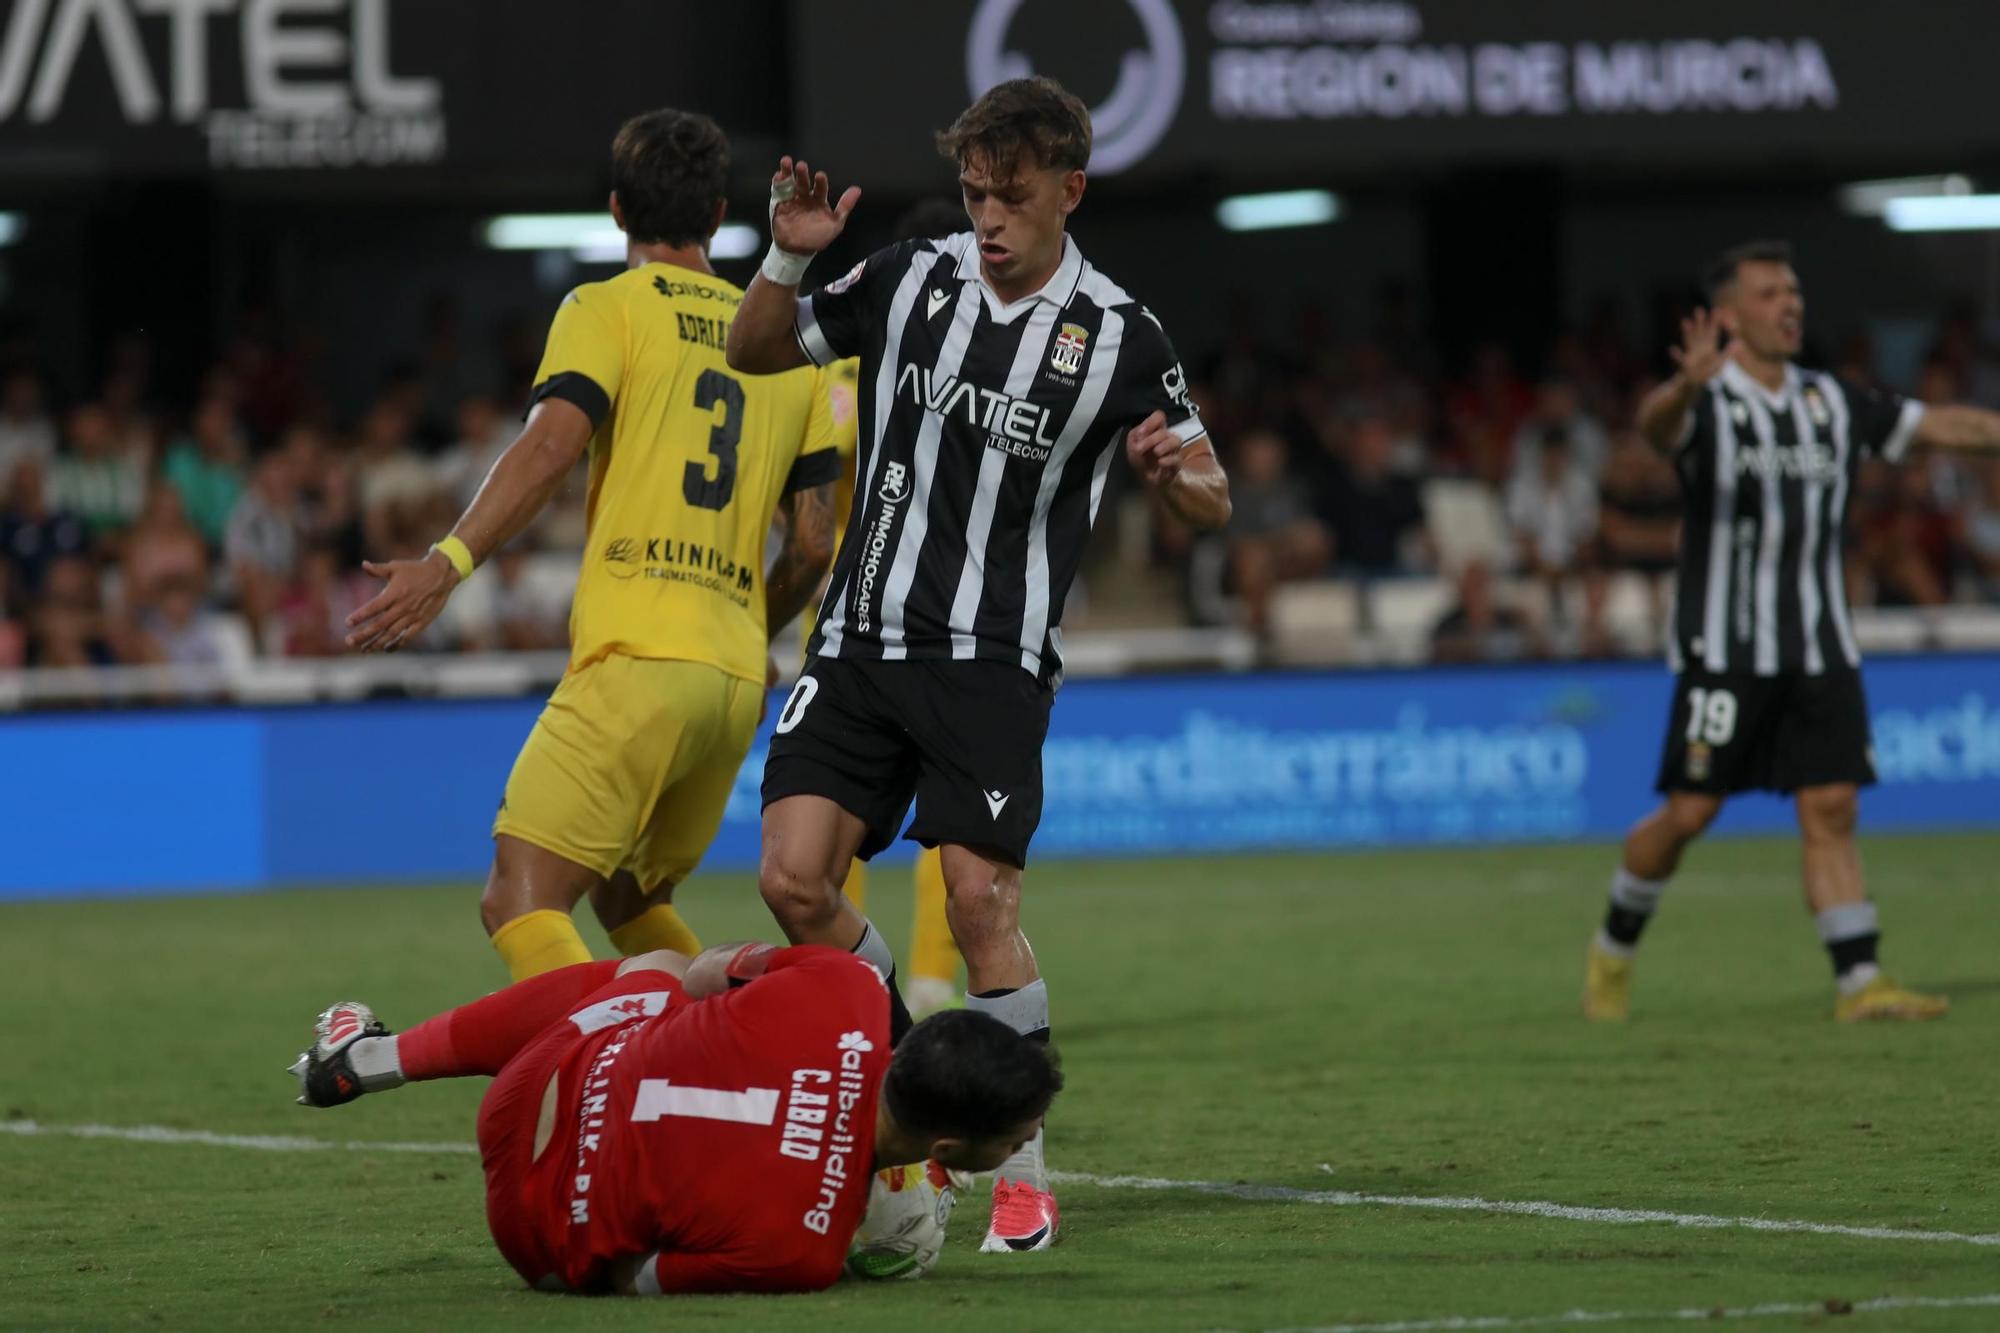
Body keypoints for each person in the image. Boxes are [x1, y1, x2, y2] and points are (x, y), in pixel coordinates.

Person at [727, 76, 1232, 1252]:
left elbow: (1213, 493)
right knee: (793, 882)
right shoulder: (908, 278)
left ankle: (1023, 1167)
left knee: (977, 900)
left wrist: (1177, 479)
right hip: (856, 638)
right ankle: (930, 1062)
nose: (988, 219)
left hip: (991, 659)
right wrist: (788, 258)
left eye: (1010, 197)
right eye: (971, 195)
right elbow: (757, 348)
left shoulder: (1119, 334)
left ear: (1070, 191)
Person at [344, 108, 842, 983]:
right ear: (719, 214)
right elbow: (810, 543)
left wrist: (447, 563)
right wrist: (743, 630)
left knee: (518, 897)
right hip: (732, 676)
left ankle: (598, 1093)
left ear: (616, 210)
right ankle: (748, 1051)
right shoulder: (786, 347)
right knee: (628, 899)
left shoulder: (605, 308)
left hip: (636, 655)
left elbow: (549, 445)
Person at [1585, 240, 2000, 1023]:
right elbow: (1653, 429)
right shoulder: (1706, 400)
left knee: (1833, 804)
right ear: (1731, 314)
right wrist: (1682, 384)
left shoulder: (1832, 401)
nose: (1790, 304)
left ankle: (1860, 981)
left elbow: (1944, 424)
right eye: (1771, 291)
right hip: (1725, 649)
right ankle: (1613, 948)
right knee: (1689, 815)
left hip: (1820, 644)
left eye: (1794, 290)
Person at [288, 942, 1061, 1294]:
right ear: (948, 1147)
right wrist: (847, 1204)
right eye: (1019, 1135)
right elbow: (633, 1276)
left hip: (536, 1087)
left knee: (656, 971)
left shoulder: (850, 986)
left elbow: (702, 973)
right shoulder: (803, 1254)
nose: (1028, 1139)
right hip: (534, 1233)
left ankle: (378, 1060)